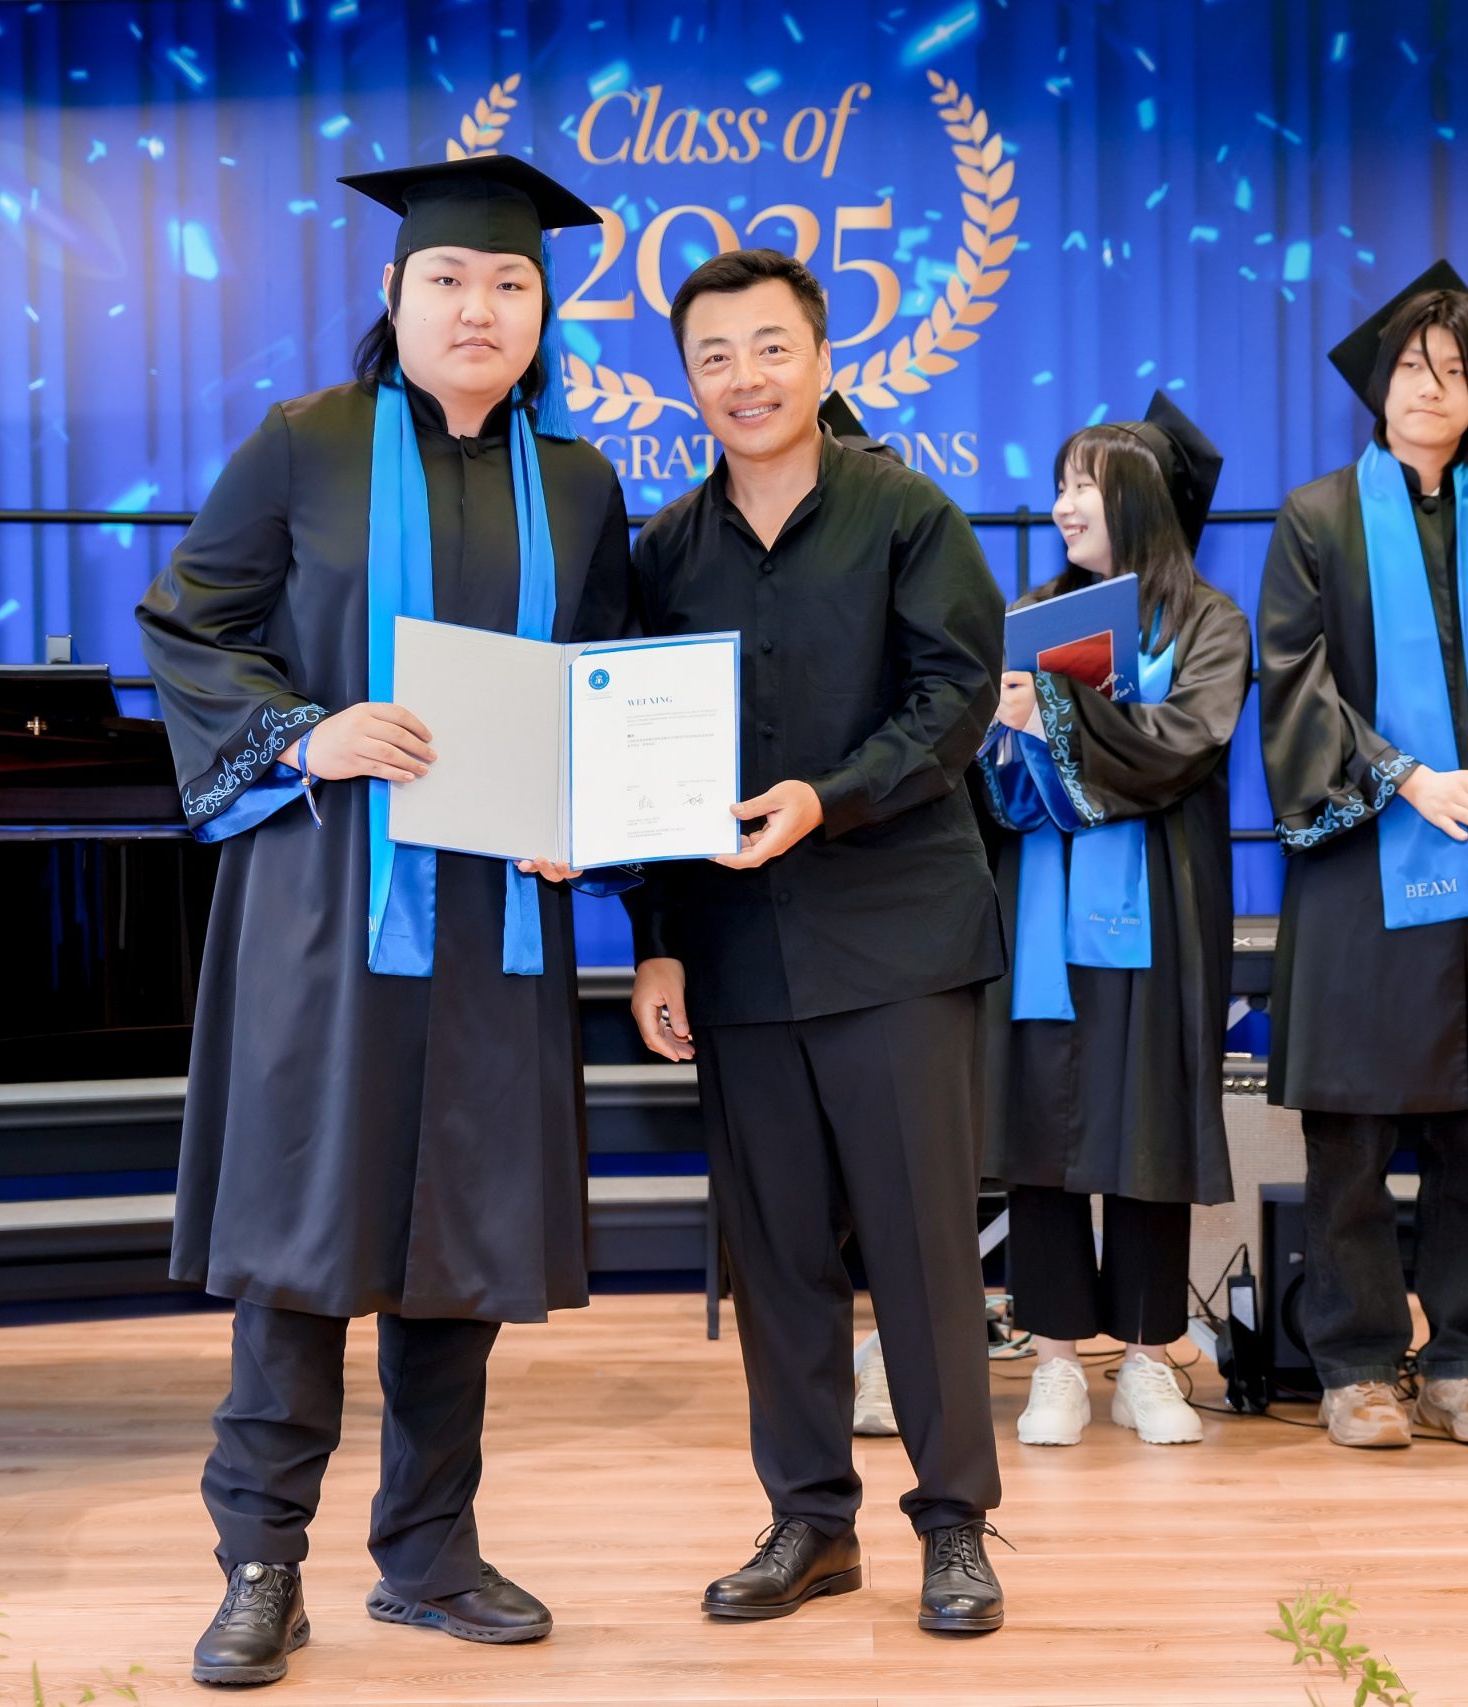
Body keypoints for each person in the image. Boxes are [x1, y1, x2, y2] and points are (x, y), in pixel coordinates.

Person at [135, 157, 632, 1686]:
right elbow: (189, 620)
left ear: (543, 311)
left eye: (510, 284)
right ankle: (260, 1561)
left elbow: (607, 682)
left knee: (458, 1241)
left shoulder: (581, 485)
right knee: (304, 1238)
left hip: (496, 913)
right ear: (394, 293)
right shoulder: (308, 444)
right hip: (324, 903)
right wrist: (308, 730)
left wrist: (591, 814)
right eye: (450, 281)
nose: (480, 307)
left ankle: (428, 1552)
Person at [619, 249, 1010, 1633]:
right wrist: (657, 938)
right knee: (774, 1253)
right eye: (715, 356)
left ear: (824, 360)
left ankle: (955, 1525)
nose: (746, 377)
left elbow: (955, 698)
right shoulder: (663, 554)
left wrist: (825, 797)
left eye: (770, 347)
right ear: (688, 380)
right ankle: (809, 1520)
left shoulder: (908, 514)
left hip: (896, 934)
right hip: (734, 947)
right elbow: (640, 763)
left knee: (920, 1248)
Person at [1256, 261, 1468, 1450]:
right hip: (1363, 855)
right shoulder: (1316, 517)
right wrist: (1406, 777)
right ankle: (1353, 1364)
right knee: (1350, 1126)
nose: (1427, 387)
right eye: (1408, 366)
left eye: (1451, 371)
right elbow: (1294, 681)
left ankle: (1463, 1363)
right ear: (1376, 386)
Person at [976, 394, 1248, 1449]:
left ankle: (1144, 1356)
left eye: (1084, 484)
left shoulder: (1207, 623)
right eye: (1059, 485)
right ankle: (1053, 1359)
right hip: (1043, 913)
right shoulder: (1031, 614)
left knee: (1149, 1129)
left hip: (1157, 913)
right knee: (1039, 1129)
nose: (1063, 505)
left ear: (1138, 496)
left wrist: (1049, 711)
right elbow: (996, 786)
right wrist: (1001, 730)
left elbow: (1184, 744)